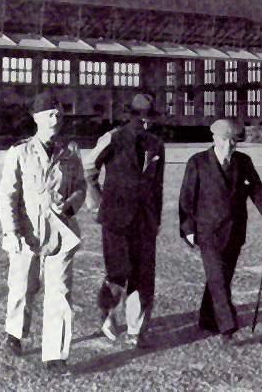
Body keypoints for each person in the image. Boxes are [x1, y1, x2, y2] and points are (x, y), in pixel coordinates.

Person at [0, 90, 86, 374]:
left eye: (59, 114)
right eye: (49, 114)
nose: (55, 119)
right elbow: (8, 195)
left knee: (59, 292)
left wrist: (71, 206)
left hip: (61, 234)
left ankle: (55, 355)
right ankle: (15, 333)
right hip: (28, 233)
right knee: (23, 286)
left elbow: (82, 187)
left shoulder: (70, 153)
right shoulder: (20, 152)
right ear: (36, 118)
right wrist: (11, 232)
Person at [178, 119, 262, 344]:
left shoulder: (243, 162)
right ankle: (228, 328)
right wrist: (188, 228)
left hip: (234, 232)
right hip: (208, 232)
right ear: (214, 138)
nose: (230, 145)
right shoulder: (198, 162)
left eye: (234, 141)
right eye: (226, 140)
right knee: (218, 280)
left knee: (221, 278)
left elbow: (257, 190)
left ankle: (206, 319)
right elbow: (186, 198)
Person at [84, 93, 164, 348]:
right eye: (140, 116)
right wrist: (98, 203)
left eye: (149, 116)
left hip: (145, 222)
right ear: (131, 116)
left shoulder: (157, 145)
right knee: (118, 273)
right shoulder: (113, 138)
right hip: (115, 220)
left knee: (144, 277)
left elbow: (158, 186)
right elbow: (88, 171)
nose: (145, 121)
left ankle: (136, 331)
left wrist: (156, 218)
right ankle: (107, 315)